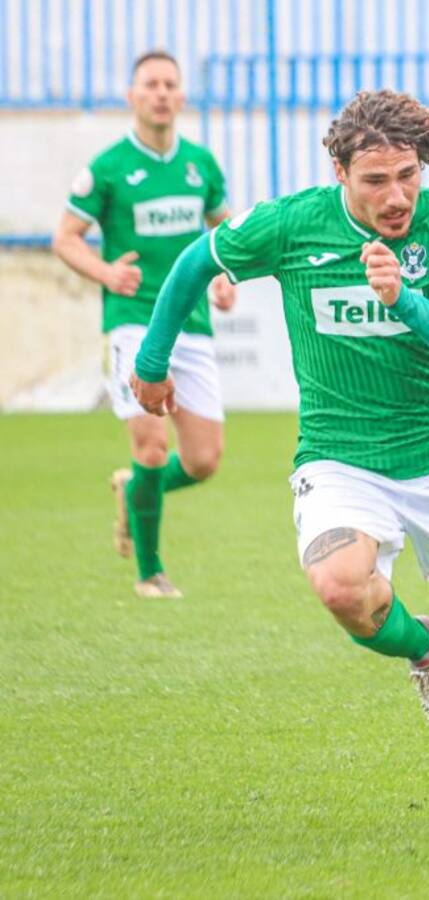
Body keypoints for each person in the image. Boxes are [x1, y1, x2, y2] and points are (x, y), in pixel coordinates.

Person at [128, 89, 429, 826]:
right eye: (376, 180)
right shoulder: (290, 224)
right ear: (340, 172)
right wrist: (154, 360)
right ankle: (423, 649)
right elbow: (193, 262)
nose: (397, 194)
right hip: (340, 457)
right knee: (343, 588)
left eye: (408, 174)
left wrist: (403, 296)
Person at [52, 50, 235, 599]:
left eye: (169, 84)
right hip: (133, 321)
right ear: (132, 96)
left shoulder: (200, 164)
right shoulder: (107, 169)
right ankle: (150, 573)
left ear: (181, 97)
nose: (160, 92)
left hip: (193, 322)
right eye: (149, 84)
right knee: (152, 445)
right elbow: (64, 237)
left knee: (203, 461)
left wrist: (227, 278)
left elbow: (225, 232)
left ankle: (134, 490)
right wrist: (105, 272)